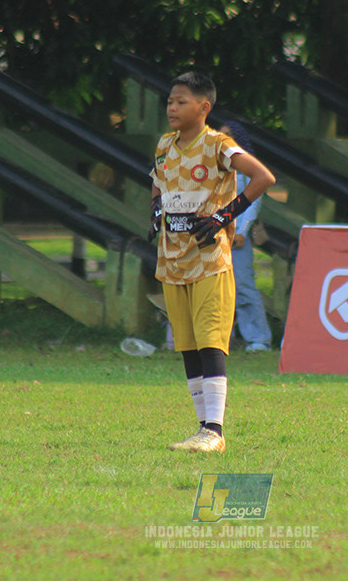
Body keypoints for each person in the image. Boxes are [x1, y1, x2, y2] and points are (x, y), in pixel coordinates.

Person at [148, 71, 276, 453]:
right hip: (172, 260)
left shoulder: (219, 144)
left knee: (210, 343)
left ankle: (215, 431)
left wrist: (223, 216)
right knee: (187, 345)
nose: (172, 107)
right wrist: (156, 210)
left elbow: (262, 177)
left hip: (209, 259)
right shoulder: (164, 145)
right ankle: (203, 429)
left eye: (181, 101)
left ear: (204, 107)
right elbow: (157, 181)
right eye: (170, 100)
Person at [220, 121, 273, 353]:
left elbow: (253, 200)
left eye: (228, 135)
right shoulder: (213, 166)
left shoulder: (247, 166)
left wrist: (241, 231)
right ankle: (221, 338)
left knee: (243, 286)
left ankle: (258, 338)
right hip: (214, 234)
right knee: (216, 288)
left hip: (237, 236)